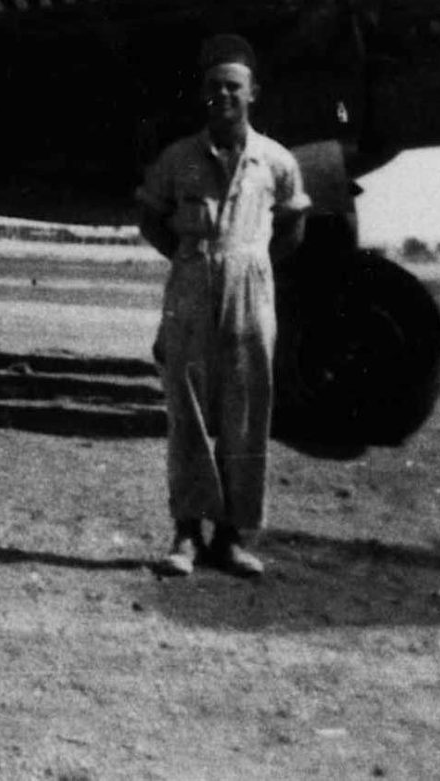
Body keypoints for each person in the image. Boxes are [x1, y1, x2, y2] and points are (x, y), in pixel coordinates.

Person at [134, 34, 308, 579]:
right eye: (214, 88)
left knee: (246, 409)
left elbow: (293, 226)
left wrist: (248, 264)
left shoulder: (276, 160)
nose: (223, 96)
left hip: (251, 284)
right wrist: (192, 261)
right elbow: (150, 218)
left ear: (253, 93)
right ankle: (186, 535)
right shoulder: (178, 159)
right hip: (190, 281)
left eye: (234, 87)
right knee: (185, 409)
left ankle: (231, 538)